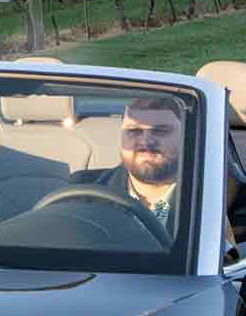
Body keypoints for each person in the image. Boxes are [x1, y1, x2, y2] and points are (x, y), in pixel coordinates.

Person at [70, 95, 185, 235]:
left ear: (185, 136)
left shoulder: (211, 199)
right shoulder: (79, 192)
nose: (146, 141)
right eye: (134, 131)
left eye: (160, 131)